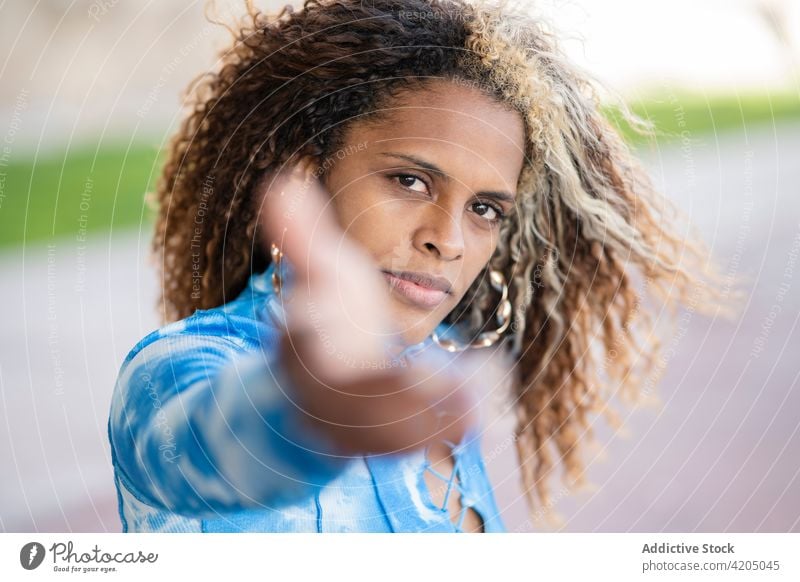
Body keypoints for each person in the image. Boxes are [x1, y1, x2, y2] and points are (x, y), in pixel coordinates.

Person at [108, 0, 722, 533]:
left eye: (484, 209)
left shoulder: (431, 374)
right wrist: (308, 406)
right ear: (306, 173)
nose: (449, 240)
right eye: (410, 180)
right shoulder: (176, 368)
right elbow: (202, 451)